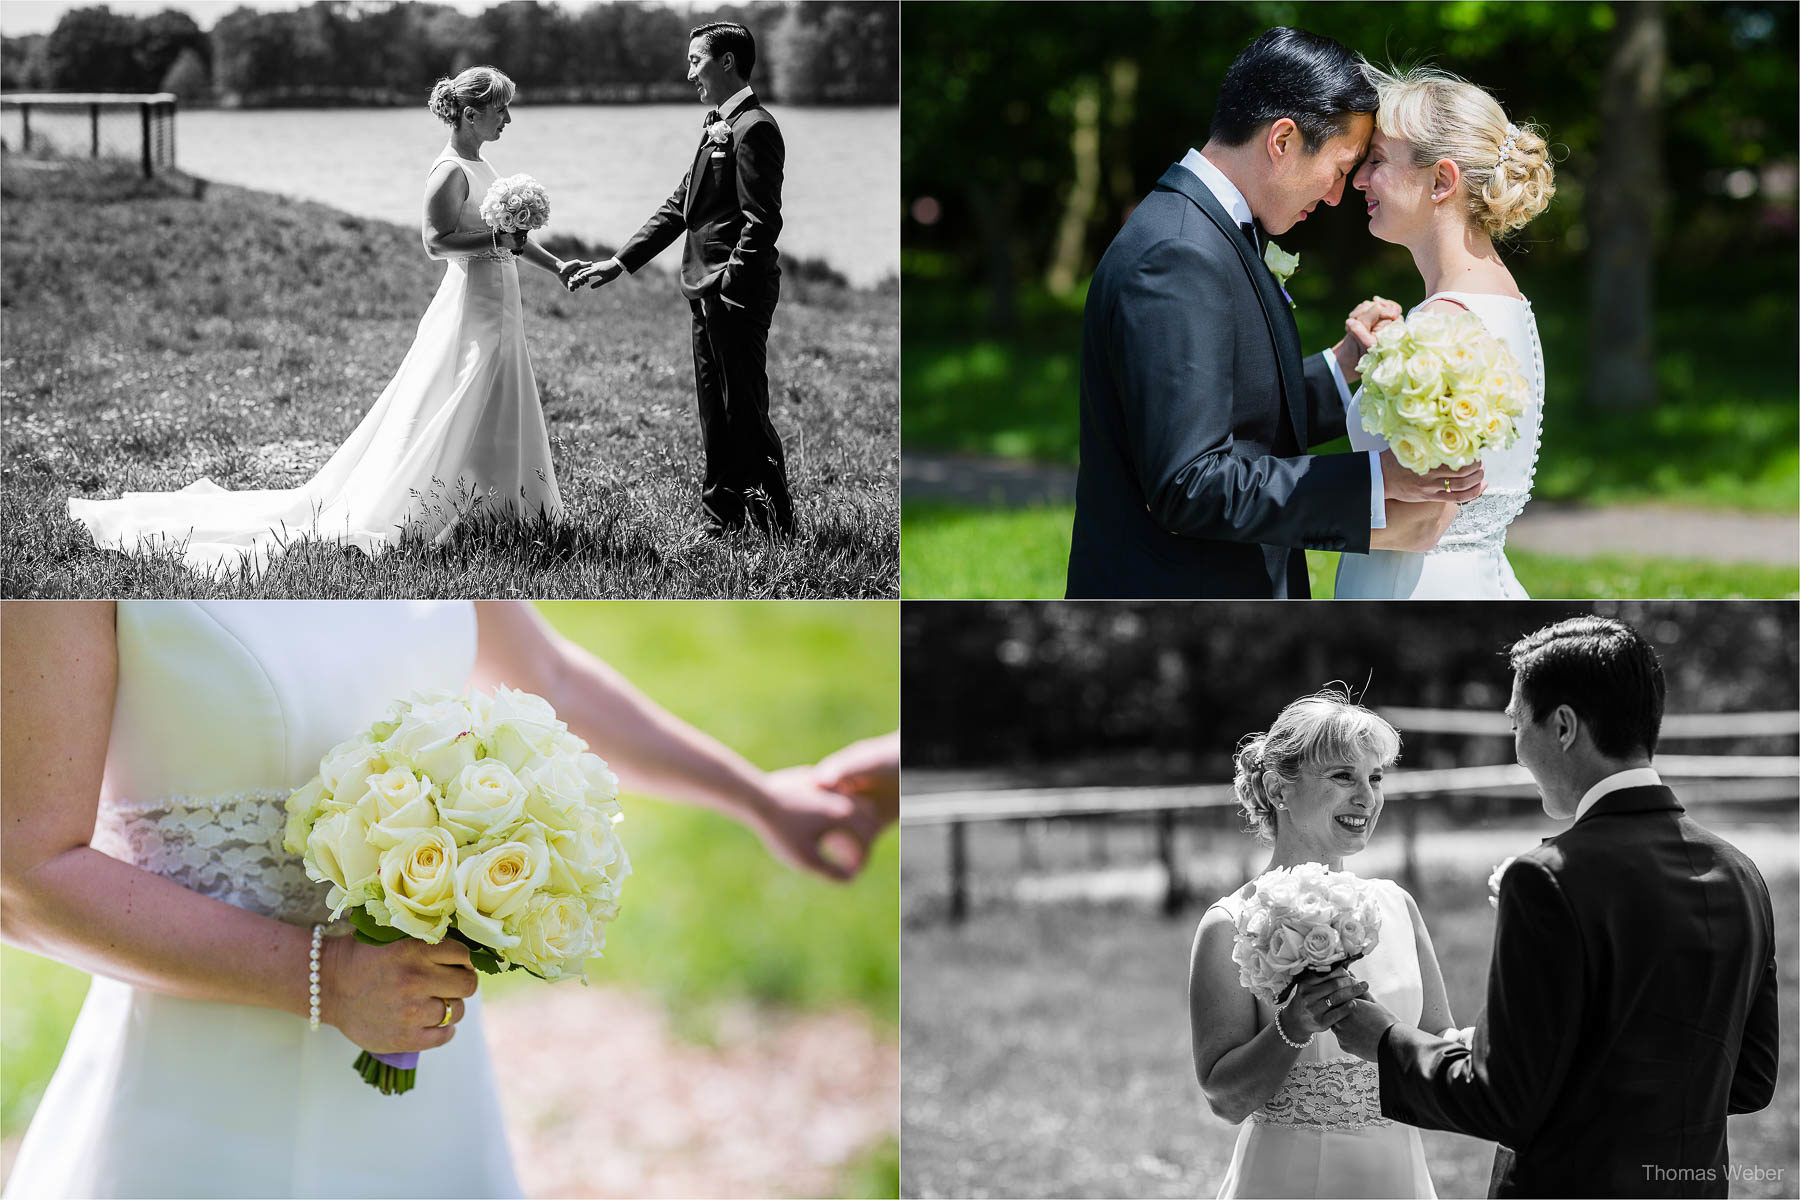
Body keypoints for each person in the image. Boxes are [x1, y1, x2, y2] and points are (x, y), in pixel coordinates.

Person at [0, 600, 886, 1198]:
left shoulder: (425, 466)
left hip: (429, 1074)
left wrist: (760, 798)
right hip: (197, 1101)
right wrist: (327, 979)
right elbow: (23, 875)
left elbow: (553, 677)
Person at [66, 67, 581, 574]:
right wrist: (498, 241)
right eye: (500, 110)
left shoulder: (484, 166)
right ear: (470, 114)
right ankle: (438, 503)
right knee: (460, 396)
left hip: (501, 304)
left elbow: (510, 235)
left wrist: (557, 266)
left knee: (499, 398)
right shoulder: (449, 171)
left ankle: (503, 507)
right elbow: (435, 242)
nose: (508, 119)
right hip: (473, 306)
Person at [1333, 617, 1781, 1197]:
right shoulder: (1742, 873)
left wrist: (1386, 1040)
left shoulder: (1546, 878)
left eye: (1518, 724)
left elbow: (1499, 1101)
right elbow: (1749, 1081)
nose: (1516, 749)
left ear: (1564, 725)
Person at [1066, 28, 1484, 600]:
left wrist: (1344, 369)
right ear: (1283, 140)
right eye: (1340, 169)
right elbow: (1189, 484)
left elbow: (1231, 412)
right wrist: (1377, 479)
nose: (1339, 196)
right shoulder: (1180, 253)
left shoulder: (1206, 231)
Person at [1189, 690, 1458, 1198]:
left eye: (1375, 778)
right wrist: (1292, 1027)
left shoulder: (1397, 906)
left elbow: (1440, 1050)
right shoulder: (1229, 924)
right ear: (1278, 788)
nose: (1367, 797)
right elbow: (1224, 1099)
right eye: (1343, 777)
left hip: (1397, 1178)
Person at [567, 23, 796, 540]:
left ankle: (777, 528)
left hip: (733, 292)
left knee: (746, 412)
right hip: (703, 290)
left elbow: (763, 221)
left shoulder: (754, 127)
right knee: (715, 411)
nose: (689, 71)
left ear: (728, 63)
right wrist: (619, 262)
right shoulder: (716, 125)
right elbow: (680, 206)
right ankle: (721, 520)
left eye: (696, 60)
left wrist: (731, 286)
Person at [1333, 66, 1555, 599]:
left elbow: (1422, 522)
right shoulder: (1500, 302)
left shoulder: (1446, 326)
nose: (1359, 179)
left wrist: (1253, 522)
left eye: (1378, 161)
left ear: (1441, 181)